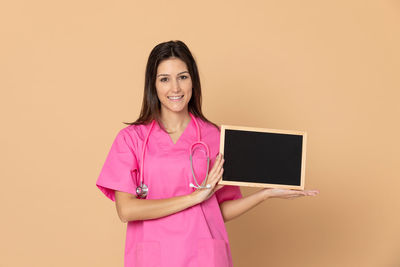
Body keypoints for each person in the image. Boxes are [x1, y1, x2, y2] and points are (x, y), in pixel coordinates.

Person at [96, 40, 319, 267]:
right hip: (155, 257)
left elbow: (219, 209)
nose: (175, 88)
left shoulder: (215, 137)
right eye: (165, 79)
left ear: (193, 81)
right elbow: (126, 210)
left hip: (204, 257)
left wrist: (265, 193)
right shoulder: (132, 139)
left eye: (183, 77)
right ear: (153, 85)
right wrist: (194, 198)